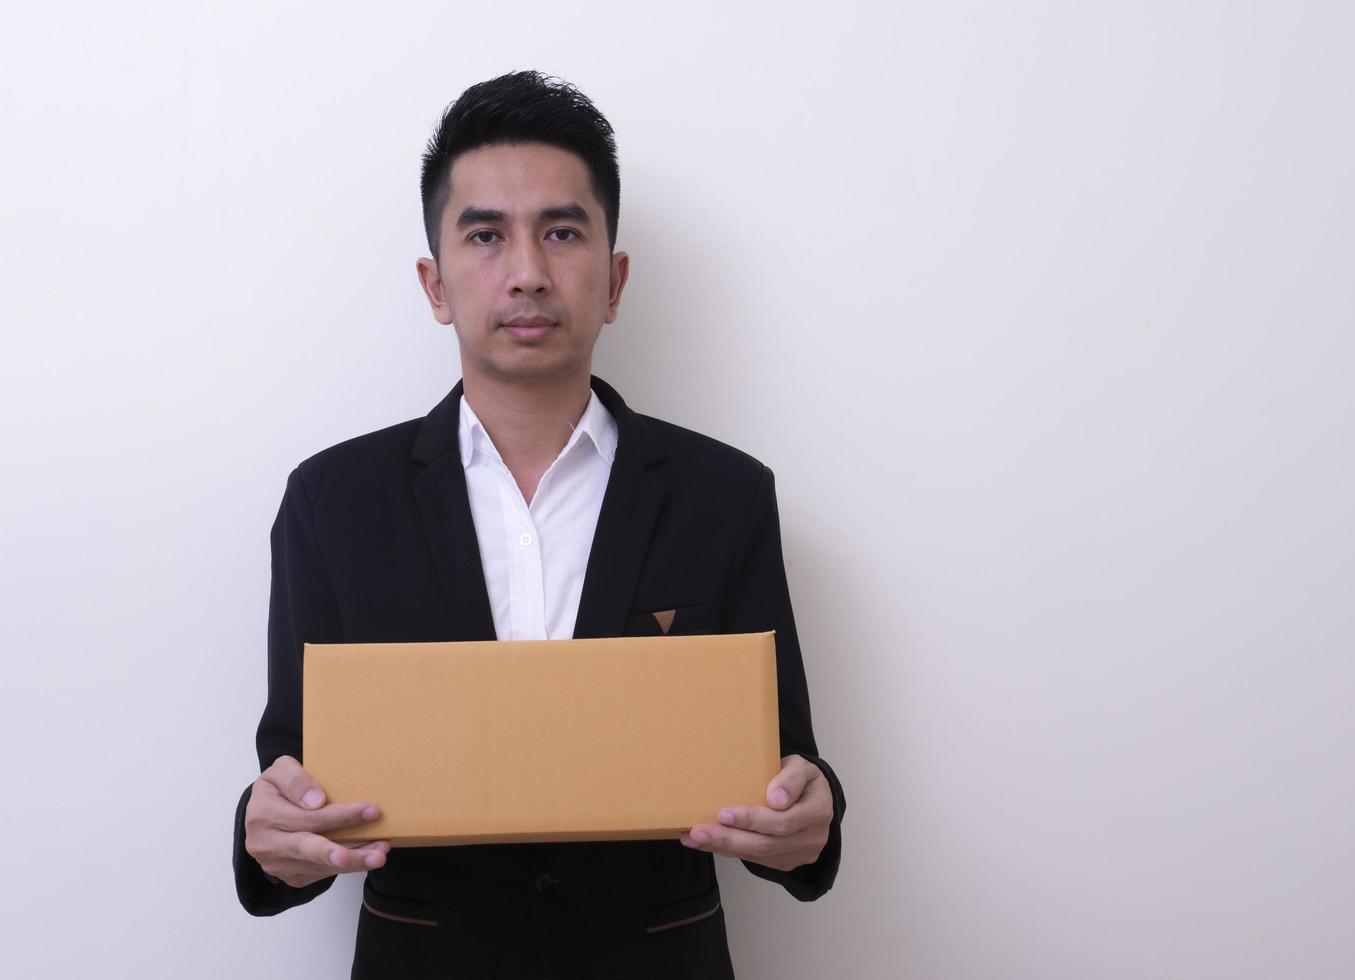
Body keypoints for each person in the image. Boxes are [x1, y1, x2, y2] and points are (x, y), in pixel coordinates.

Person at [231, 70, 846, 979]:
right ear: (435, 283)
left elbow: (786, 772)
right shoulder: (332, 501)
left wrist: (809, 815)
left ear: (614, 278)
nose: (525, 271)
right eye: (485, 236)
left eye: (561, 232)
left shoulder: (726, 496)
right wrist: (268, 837)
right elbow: (294, 778)